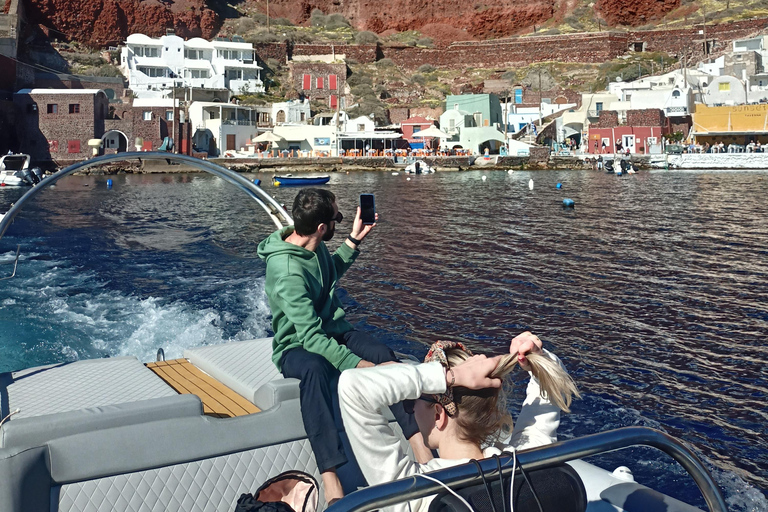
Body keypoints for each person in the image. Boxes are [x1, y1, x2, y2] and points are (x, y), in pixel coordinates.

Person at [257, 188, 432, 503]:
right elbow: (309, 337)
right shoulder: (287, 272)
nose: (341, 221)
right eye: (337, 218)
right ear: (322, 228)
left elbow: (328, 275)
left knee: (383, 353)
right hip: (295, 346)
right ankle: (330, 477)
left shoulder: (313, 246)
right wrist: (358, 366)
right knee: (315, 371)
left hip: (333, 330)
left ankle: (421, 448)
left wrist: (354, 240)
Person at [338, 332, 579, 512]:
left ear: (438, 415)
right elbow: (549, 385)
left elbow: (353, 387)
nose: (410, 409)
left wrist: (448, 378)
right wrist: (536, 357)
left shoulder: (414, 495)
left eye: (413, 403)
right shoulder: (526, 458)